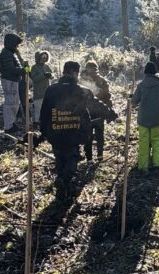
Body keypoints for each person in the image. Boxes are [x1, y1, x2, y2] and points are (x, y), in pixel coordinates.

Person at [39, 61, 117, 191]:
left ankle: (61, 182)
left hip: (55, 132)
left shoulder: (51, 90)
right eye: (77, 73)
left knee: (59, 156)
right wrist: (110, 113)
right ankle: (64, 180)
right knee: (72, 157)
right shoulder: (81, 90)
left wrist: (44, 131)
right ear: (74, 73)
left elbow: (44, 113)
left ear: (64, 72)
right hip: (73, 131)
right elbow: (96, 104)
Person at [131, 62, 159, 171]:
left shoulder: (141, 85)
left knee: (143, 142)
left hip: (143, 119)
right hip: (157, 119)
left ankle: (143, 165)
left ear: (145, 73)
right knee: (157, 141)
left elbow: (133, 102)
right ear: (155, 72)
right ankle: (158, 164)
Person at [80, 60, 112, 162]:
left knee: (99, 135)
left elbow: (107, 96)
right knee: (87, 136)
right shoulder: (81, 81)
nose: (93, 72)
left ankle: (99, 156)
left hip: (99, 112)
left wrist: (108, 111)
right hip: (87, 113)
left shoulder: (101, 81)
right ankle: (89, 158)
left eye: (95, 70)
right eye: (91, 69)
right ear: (87, 70)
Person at [0, 33, 27, 133]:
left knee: (14, 103)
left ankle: (11, 123)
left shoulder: (9, 53)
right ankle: (8, 126)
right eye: (16, 44)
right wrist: (23, 70)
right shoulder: (6, 53)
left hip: (12, 80)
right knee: (10, 103)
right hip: (9, 80)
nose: (17, 46)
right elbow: (10, 68)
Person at [30, 50, 53, 128]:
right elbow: (34, 78)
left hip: (47, 91)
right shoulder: (34, 67)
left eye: (45, 57)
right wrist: (44, 75)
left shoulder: (46, 66)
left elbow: (52, 75)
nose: (44, 59)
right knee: (38, 108)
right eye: (42, 57)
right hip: (38, 92)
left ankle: (45, 123)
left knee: (47, 108)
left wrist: (50, 75)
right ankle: (36, 123)